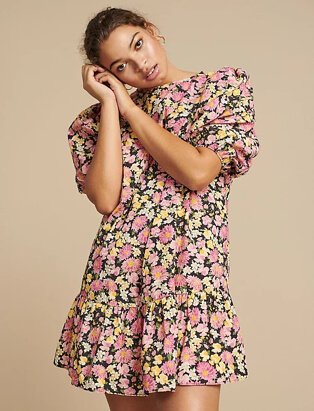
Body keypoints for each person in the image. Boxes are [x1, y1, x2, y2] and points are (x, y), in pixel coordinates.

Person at [52, 6, 260, 411]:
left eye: (138, 45)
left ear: (152, 31)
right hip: (117, 285)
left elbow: (198, 172)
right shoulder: (95, 123)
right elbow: (105, 198)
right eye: (121, 66)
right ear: (108, 74)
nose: (140, 65)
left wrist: (131, 110)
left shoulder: (220, 89)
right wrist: (112, 107)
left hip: (188, 283)